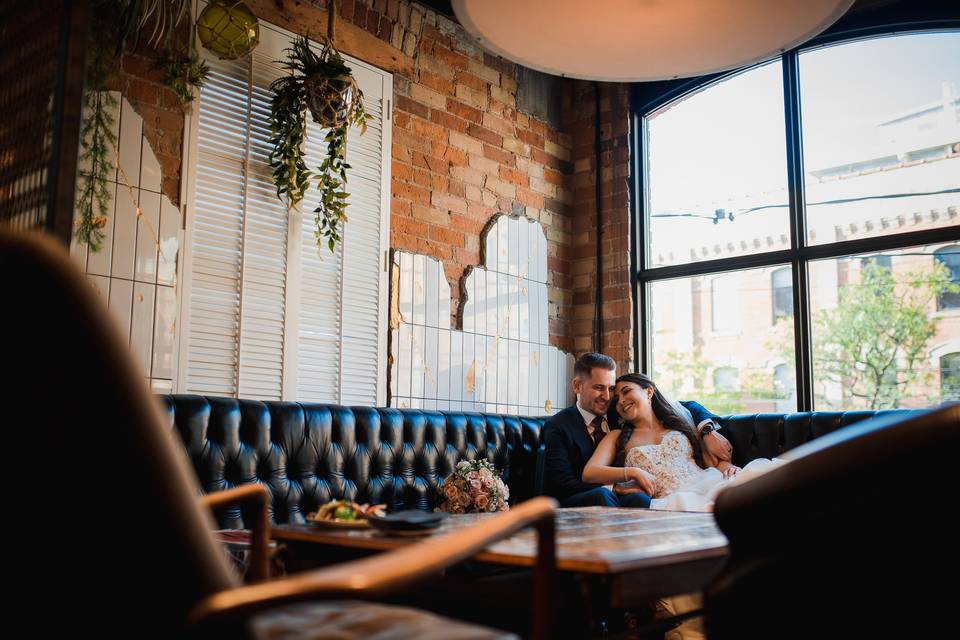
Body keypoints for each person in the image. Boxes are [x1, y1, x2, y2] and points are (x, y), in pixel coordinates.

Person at [543, 354, 733, 508]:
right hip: (580, 497)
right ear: (577, 386)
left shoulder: (616, 407)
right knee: (602, 495)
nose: (608, 397)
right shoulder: (560, 425)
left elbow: (687, 406)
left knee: (641, 500)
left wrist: (707, 430)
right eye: (599, 388)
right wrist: (616, 486)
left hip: (645, 492)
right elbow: (562, 484)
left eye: (610, 389)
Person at [583, 372, 783, 512]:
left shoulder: (679, 424)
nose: (621, 401)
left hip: (709, 482)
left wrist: (725, 465)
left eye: (626, 391)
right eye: (616, 399)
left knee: (769, 482)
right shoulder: (617, 436)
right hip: (671, 501)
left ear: (649, 391)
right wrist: (632, 472)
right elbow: (589, 472)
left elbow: (708, 461)